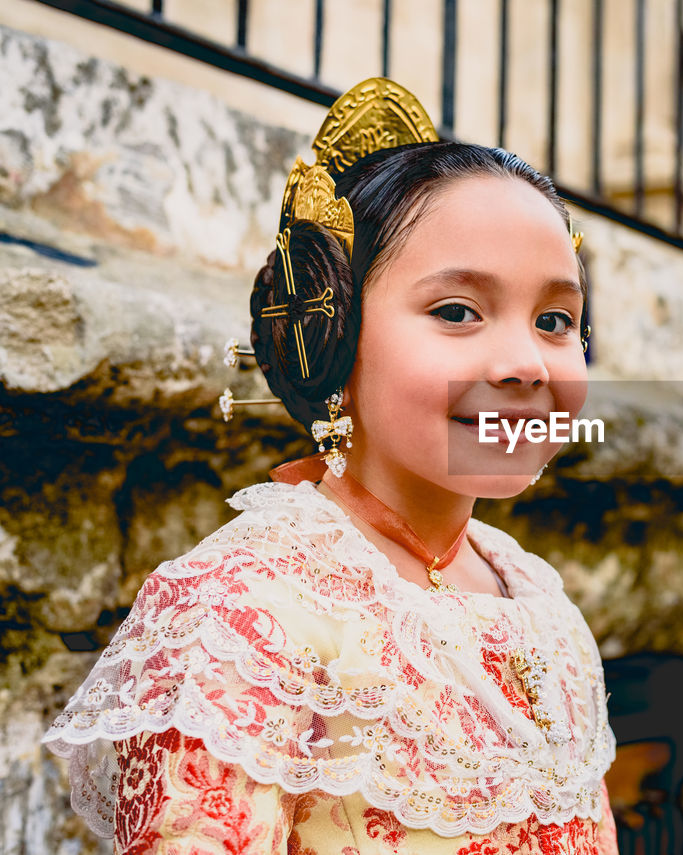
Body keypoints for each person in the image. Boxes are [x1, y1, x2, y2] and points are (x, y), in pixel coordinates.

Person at [42, 77, 618, 854]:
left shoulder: (545, 610)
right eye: (457, 311)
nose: (525, 362)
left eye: (556, 320)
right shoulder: (239, 616)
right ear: (332, 331)